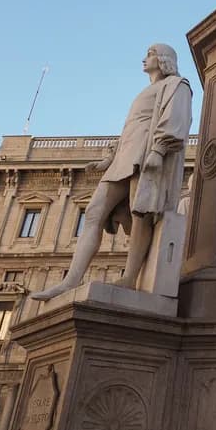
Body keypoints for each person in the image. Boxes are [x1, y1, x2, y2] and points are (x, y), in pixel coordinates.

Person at [31, 44, 192, 301]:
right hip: (125, 157)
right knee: (94, 212)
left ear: (163, 60)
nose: (144, 58)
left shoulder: (177, 85)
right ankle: (70, 281)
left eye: (149, 54)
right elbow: (129, 129)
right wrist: (107, 160)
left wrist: (159, 150)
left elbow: (177, 118)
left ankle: (129, 277)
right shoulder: (147, 91)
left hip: (145, 155)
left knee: (141, 214)